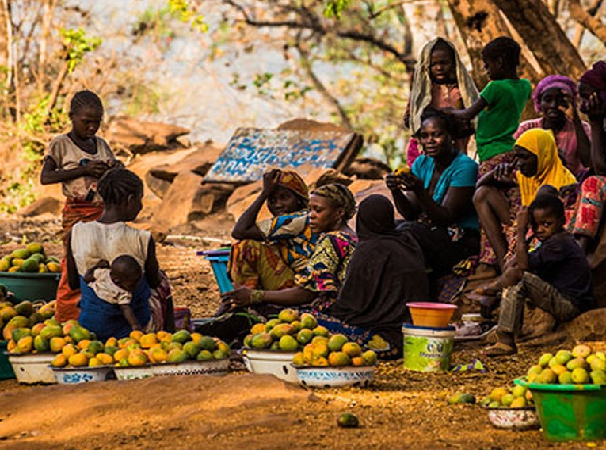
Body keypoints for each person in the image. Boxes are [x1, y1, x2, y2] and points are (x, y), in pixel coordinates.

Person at [446, 37, 532, 279]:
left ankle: (490, 262)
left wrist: (447, 111)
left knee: (484, 206)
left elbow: (467, 114)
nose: (486, 70)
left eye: (487, 65)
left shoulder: (495, 88)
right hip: (511, 150)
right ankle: (512, 255)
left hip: (491, 156)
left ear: (501, 62)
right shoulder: (524, 86)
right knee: (508, 206)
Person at [66, 168, 174, 341]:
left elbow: (73, 283)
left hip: (91, 327)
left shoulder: (76, 232)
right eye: (139, 200)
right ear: (130, 200)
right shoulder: (142, 238)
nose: (140, 206)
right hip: (134, 330)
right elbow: (154, 282)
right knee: (163, 282)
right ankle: (169, 335)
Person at [315, 194, 430, 356]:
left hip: (382, 335)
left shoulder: (368, 250)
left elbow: (350, 304)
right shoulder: (407, 242)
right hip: (412, 333)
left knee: (312, 317)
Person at [40, 90, 120, 323]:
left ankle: (97, 316)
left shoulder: (102, 145)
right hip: (77, 213)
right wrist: (83, 170)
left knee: (102, 265)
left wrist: (115, 167)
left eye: (96, 122)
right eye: (86, 122)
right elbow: (46, 177)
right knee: (74, 266)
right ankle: (67, 319)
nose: (92, 128)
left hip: (103, 213)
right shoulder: (61, 144)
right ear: (72, 116)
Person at [485, 194, 593, 356]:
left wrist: (521, 233)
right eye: (535, 226)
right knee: (515, 277)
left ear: (562, 221)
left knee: (519, 278)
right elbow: (513, 264)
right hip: (562, 299)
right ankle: (506, 331)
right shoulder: (551, 242)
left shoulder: (559, 243)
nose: (540, 230)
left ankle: (506, 338)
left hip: (570, 304)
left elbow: (521, 268)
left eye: (546, 224)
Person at [224, 183, 357, 312]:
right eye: (310, 209)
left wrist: (254, 296)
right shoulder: (352, 238)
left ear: (339, 212)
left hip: (331, 310)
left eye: (318, 210)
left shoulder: (332, 241)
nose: (310, 215)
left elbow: (307, 294)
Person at [387, 108, 480, 281]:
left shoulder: (465, 167)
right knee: (385, 226)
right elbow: (410, 213)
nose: (430, 141)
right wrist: (396, 190)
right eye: (425, 135)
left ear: (451, 136)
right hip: (429, 232)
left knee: (407, 231)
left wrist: (420, 190)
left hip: (459, 239)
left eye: (436, 135)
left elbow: (445, 217)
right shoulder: (422, 162)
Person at [473, 129, 577, 272]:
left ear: (542, 155)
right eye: (517, 158)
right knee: (482, 194)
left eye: (524, 157)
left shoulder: (563, 183)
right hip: (524, 227)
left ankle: (514, 272)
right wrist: (496, 171)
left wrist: (521, 228)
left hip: (541, 235)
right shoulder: (526, 176)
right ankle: (505, 267)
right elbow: (479, 187)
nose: (519, 163)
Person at [229, 168, 315, 292]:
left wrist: (264, 193)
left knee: (247, 247)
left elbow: (239, 231)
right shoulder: (300, 218)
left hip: (304, 285)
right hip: (298, 281)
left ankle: (248, 299)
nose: (278, 205)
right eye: (272, 200)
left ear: (299, 199)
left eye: (284, 197)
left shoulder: (297, 219)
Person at [404, 37, 479, 166]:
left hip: (454, 151)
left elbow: (472, 122)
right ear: (427, 65)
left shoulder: (461, 91)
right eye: (434, 64)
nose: (439, 68)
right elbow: (410, 121)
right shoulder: (421, 94)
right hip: (423, 152)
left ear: (453, 63)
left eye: (444, 63)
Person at [514, 75, 591, 179]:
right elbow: (513, 159)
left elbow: (589, 162)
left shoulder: (582, 128)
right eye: (548, 99)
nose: (553, 105)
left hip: (569, 185)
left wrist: (575, 119)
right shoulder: (527, 128)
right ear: (539, 103)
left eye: (561, 101)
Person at [568, 61, 606, 257]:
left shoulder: (599, 122)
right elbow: (591, 163)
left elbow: (601, 170)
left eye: (586, 97)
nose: (583, 106)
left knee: (592, 184)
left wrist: (595, 123)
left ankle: (578, 256)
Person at [83, 256, 145, 332]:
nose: (136, 287)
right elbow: (126, 309)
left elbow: (86, 278)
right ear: (117, 281)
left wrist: (96, 267)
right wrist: (135, 325)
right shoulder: (123, 292)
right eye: (132, 284)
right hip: (104, 317)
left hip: (89, 315)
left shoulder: (102, 273)